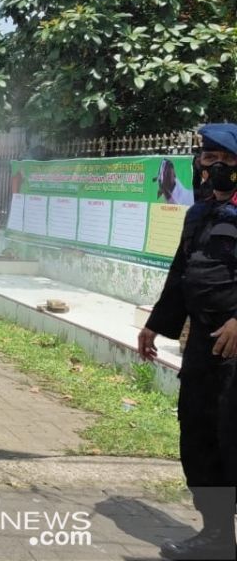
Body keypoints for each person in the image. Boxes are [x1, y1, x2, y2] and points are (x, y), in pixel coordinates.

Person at [139, 124, 237, 561]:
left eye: (229, 160)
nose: (218, 167)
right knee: (197, 436)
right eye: (211, 158)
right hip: (201, 346)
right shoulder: (198, 213)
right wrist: (156, 325)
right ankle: (216, 534)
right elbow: (181, 274)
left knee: (232, 438)